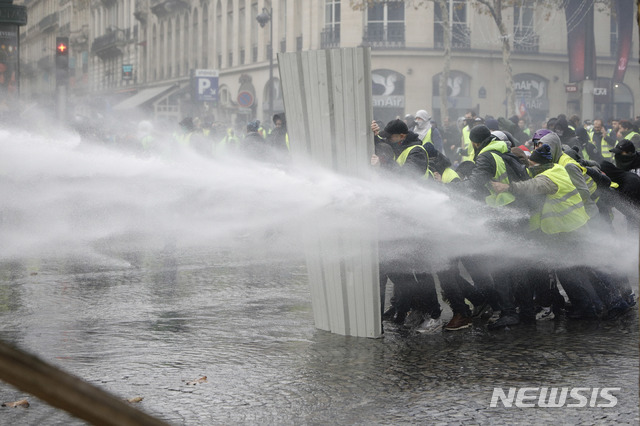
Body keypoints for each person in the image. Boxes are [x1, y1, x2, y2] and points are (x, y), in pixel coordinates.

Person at [371, 119, 442, 333]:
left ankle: (434, 316)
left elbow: (409, 175)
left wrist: (384, 164)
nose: (387, 140)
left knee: (420, 269)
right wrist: (373, 135)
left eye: (389, 136)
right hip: (399, 219)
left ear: (402, 136)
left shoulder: (417, 151)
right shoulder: (397, 147)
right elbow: (382, 147)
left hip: (417, 220)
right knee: (399, 269)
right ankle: (415, 310)